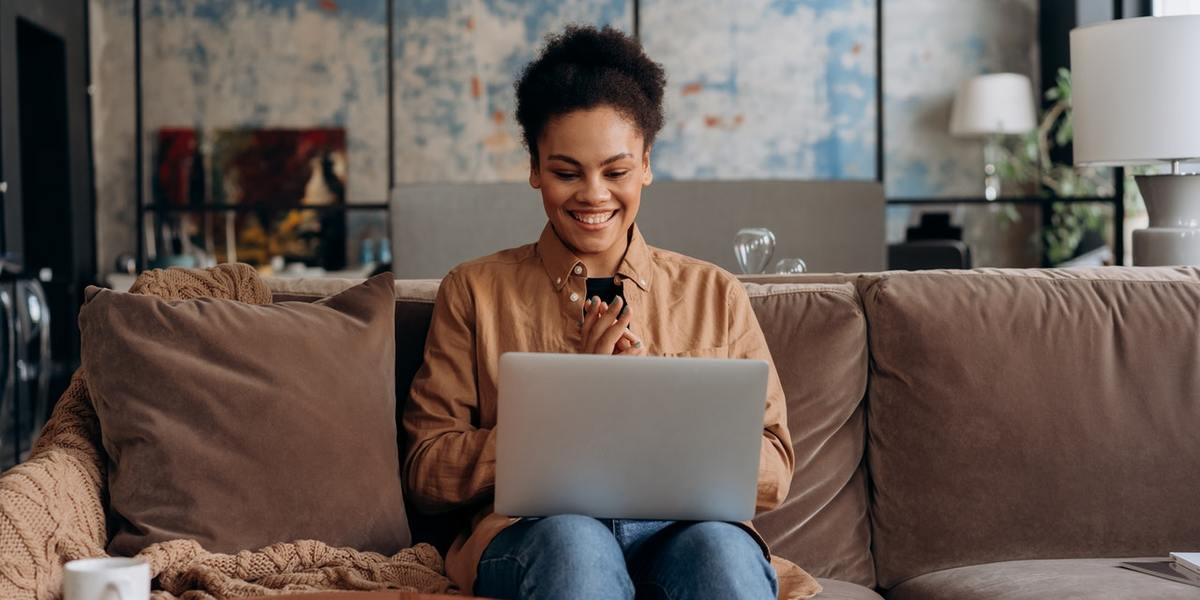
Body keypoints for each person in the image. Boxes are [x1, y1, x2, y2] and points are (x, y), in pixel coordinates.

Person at [402, 25, 812, 600]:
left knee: (720, 552)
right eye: (567, 172)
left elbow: (774, 471)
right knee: (577, 546)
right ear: (534, 169)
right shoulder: (474, 291)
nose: (593, 195)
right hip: (538, 535)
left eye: (616, 172)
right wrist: (569, 413)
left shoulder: (715, 294)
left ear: (646, 164)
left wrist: (655, 408)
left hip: (684, 532)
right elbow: (426, 469)